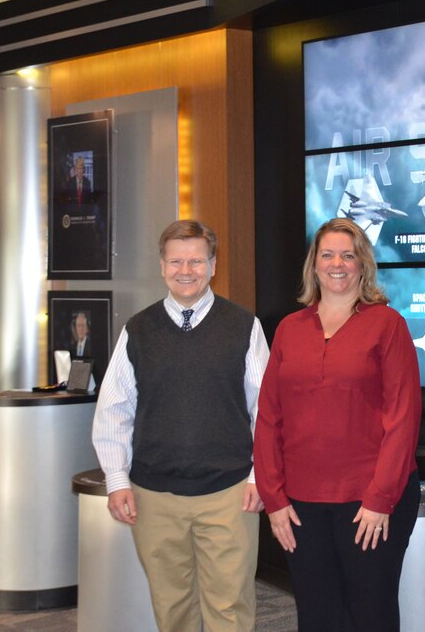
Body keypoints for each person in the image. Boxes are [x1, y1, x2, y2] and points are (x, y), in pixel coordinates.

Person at [92, 219, 270, 632]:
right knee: (172, 610)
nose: (185, 270)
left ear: (212, 265)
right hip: (155, 496)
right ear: (161, 266)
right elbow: (114, 408)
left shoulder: (244, 326)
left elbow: (267, 409)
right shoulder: (137, 329)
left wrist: (261, 475)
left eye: (195, 260)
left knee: (229, 609)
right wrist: (117, 479)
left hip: (230, 493)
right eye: (176, 261)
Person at [254, 217, 422, 632]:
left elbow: (403, 418)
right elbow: (269, 418)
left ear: (362, 265)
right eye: (327, 254)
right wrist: (274, 499)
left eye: (348, 255)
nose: (337, 264)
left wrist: (380, 499)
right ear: (314, 265)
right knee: (316, 615)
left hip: (369, 503)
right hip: (301, 506)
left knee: (371, 615)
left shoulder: (388, 325)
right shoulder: (289, 330)